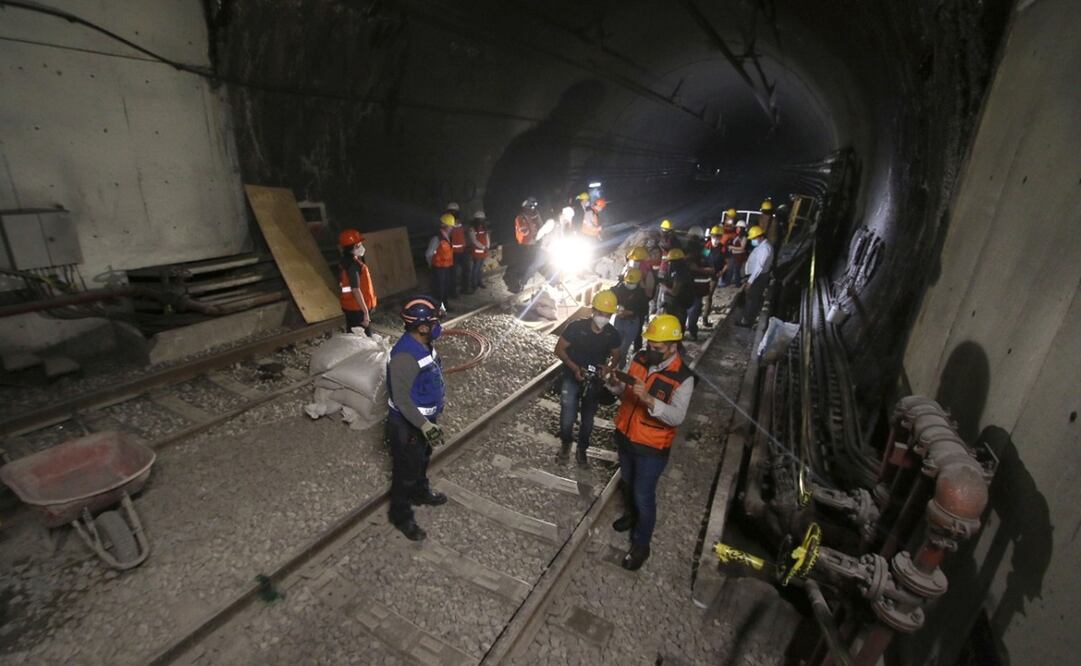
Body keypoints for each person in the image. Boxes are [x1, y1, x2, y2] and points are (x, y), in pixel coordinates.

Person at [606, 314, 695, 570]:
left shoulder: (683, 378)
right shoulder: (640, 359)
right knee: (627, 483)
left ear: (672, 346)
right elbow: (626, 393)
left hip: (651, 450)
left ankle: (641, 544)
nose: (650, 351)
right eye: (649, 345)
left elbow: (676, 416)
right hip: (626, 437)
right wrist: (615, 386)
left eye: (656, 348)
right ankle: (631, 516)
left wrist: (649, 400)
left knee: (643, 495)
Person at [385, 296, 449, 541]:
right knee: (406, 473)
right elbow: (401, 399)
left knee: (422, 459)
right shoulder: (404, 356)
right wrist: (425, 426)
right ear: (423, 327)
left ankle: (421, 492)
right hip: (407, 426)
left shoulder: (425, 344)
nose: (439, 326)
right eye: (435, 322)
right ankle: (401, 516)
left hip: (424, 422)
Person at [553, 291, 622, 466]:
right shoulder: (576, 328)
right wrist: (575, 368)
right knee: (568, 415)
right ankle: (566, 443)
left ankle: (582, 450)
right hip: (572, 375)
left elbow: (617, 355)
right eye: (600, 313)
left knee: (588, 418)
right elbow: (559, 349)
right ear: (593, 310)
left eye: (607, 315)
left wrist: (608, 367)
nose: (603, 317)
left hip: (594, 381)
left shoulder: (612, 334)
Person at [337, 229, 377, 336]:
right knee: (364, 341)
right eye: (359, 244)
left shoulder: (344, 262)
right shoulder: (354, 266)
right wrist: (365, 313)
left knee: (353, 337)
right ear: (354, 247)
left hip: (349, 306)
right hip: (358, 309)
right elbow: (356, 290)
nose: (362, 247)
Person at [737, 225, 774, 327]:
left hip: (758, 277)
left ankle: (747, 321)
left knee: (752, 299)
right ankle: (747, 318)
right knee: (751, 297)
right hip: (756, 276)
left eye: (753, 238)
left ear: (759, 237)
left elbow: (759, 267)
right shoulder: (761, 246)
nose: (752, 241)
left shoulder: (765, 249)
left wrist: (750, 281)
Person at [612, 268, 649, 364]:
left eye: (632, 283)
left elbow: (643, 309)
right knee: (616, 344)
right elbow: (611, 293)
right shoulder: (621, 287)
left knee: (624, 348)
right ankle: (614, 363)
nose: (629, 285)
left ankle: (620, 366)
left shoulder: (641, 293)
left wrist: (630, 312)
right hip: (619, 320)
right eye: (628, 282)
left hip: (632, 322)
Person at [425, 214, 456, 311]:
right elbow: (428, 254)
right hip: (438, 268)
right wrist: (432, 264)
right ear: (445, 226)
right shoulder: (437, 238)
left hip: (446, 267)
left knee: (445, 288)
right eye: (451, 226)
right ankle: (438, 309)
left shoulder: (446, 237)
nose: (452, 228)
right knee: (439, 290)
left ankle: (445, 306)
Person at [661, 248, 694, 339]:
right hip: (675, 303)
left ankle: (677, 342)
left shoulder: (681, 273)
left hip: (679, 303)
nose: (669, 264)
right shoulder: (675, 270)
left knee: (677, 325)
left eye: (670, 262)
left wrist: (665, 288)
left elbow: (674, 292)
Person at [446, 203, 468, 296]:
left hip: (463, 250)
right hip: (453, 252)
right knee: (453, 274)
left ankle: (465, 289)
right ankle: (453, 292)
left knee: (466, 270)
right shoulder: (447, 223)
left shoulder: (460, 222)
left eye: (455, 211)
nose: (454, 213)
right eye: (452, 211)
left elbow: (463, 234)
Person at [467, 211, 490, 291]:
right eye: (481, 219)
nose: (482, 221)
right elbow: (474, 240)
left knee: (480, 268)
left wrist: (487, 247)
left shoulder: (484, 228)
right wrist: (484, 247)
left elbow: (487, 238)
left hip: (483, 252)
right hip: (477, 252)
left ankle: (480, 282)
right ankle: (474, 284)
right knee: (475, 268)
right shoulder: (472, 229)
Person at [725, 220, 748, 287]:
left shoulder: (744, 238)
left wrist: (731, 247)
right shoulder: (737, 236)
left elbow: (742, 248)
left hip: (739, 256)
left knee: (736, 270)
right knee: (730, 269)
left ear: (742, 229)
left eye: (739, 228)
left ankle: (737, 284)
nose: (737, 229)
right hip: (733, 255)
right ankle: (727, 282)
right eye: (737, 227)